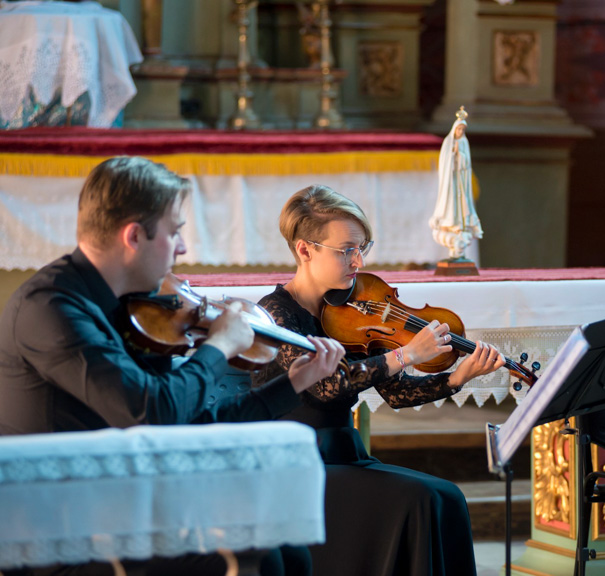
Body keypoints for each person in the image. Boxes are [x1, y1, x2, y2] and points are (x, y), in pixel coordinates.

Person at [0, 156, 347, 576]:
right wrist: (217, 347)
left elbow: (189, 421)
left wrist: (292, 384)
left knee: (289, 548)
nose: (182, 249)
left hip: (117, 503)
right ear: (134, 236)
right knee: (258, 558)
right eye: (174, 233)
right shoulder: (52, 309)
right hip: (62, 529)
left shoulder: (134, 306)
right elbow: (152, 411)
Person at [252, 184, 506, 576]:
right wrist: (405, 354)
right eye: (346, 249)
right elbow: (325, 386)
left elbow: (398, 394)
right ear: (305, 250)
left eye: (363, 247)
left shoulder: (352, 308)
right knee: (419, 500)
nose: (358, 260)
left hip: (343, 452)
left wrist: (456, 378)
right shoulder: (275, 314)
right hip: (296, 462)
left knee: (448, 497)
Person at [429, 106, 483, 260]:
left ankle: (459, 244)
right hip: (451, 183)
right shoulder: (449, 143)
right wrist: (453, 155)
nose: (460, 132)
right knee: (450, 208)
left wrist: (461, 156)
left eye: (462, 130)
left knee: (463, 209)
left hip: (461, 182)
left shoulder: (464, 143)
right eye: (459, 129)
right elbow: (445, 162)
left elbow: (466, 162)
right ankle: (453, 241)